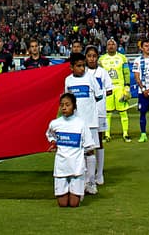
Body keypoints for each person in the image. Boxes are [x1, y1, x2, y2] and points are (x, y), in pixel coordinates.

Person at [63, 53, 100, 195]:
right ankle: (79, 181)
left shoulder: (90, 78)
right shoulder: (68, 81)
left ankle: (91, 182)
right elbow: (66, 100)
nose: (82, 69)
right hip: (74, 123)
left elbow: (98, 95)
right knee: (76, 152)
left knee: (90, 151)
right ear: (71, 67)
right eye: (78, 66)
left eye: (83, 65)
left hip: (90, 122)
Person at [47, 92, 88, 208]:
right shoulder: (55, 124)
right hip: (61, 167)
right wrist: (54, 143)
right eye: (62, 105)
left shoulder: (81, 124)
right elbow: (50, 135)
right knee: (63, 204)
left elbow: (89, 145)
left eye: (67, 105)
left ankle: (78, 189)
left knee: (74, 204)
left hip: (77, 167)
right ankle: (68, 189)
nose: (64, 107)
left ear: (74, 106)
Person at [84, 47, 112, 189]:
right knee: (86, 143)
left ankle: (99, 173)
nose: (91, 58)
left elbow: (109, 89)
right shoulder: (82, 72)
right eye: (89, 56)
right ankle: (86, 174)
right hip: (85, 113)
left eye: (94, 56)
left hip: (99, 111)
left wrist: (97, 96)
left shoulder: (102, 72)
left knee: (99, 141)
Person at [98, 38, 130, 141]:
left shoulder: (122, 58)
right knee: (108, 112)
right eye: (109, 44)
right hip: (107, 88)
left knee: (123, 112)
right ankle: (107, 134)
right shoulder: (101, 59)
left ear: (116, 46)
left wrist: (127, 86)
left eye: (113, 44)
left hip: (120, 88)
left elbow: (126, 72)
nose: (111, 46)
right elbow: (98, 75)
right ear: (106, 47)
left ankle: (125, 134)